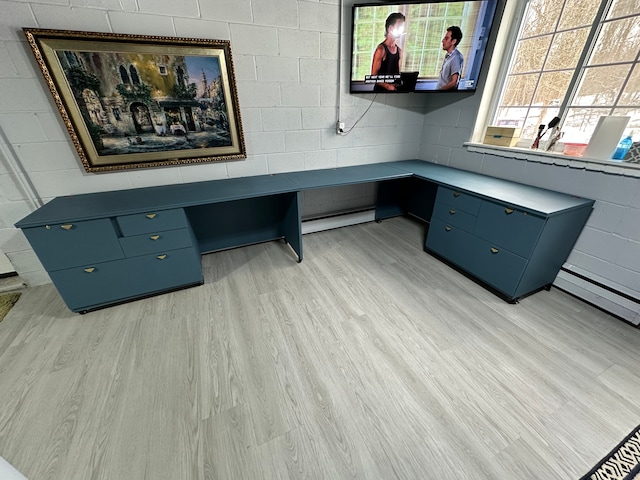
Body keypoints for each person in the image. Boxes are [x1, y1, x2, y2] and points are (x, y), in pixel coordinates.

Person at [371, 12, 405, 92]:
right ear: (390, 28)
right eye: (399, 27)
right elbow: (373, 76)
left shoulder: (399, 50)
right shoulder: (381, 49)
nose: (401, 29)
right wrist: (387, 86)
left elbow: (397, 74)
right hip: (380, 93)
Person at [437, 26, 463, 90]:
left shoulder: (456, 58)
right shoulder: (449, 56)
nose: (442, 41)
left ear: (453, 41)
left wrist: (440, 91)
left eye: (446, 38)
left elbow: (454, 82)